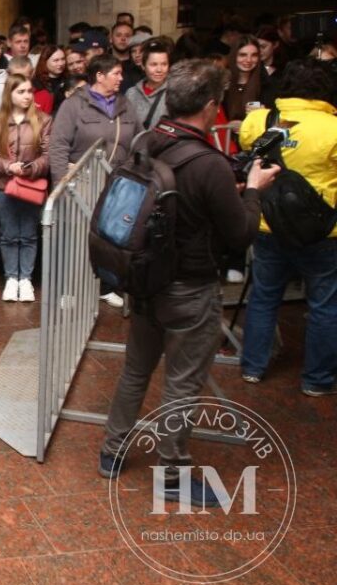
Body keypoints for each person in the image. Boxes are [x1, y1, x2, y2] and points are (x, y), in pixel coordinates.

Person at [98, 60, 279, 507]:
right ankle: (173, 475)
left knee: (136, 369)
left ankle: (112, 452)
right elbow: (239, 233)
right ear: (212, 107)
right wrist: (254, 188)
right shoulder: (209, 163)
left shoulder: (147, 141)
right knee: (182, 382)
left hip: (144, 279)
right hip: (190, 289)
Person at [238, 60, 337, 393]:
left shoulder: (261, 121)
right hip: (323, 233)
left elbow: (246, 149)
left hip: (268, 226)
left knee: (264, 297)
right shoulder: (333, 129)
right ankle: (317, 381)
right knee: (324, 305)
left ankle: (252, 367)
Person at [50, 54, 139, 308]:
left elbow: (137, 140)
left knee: (109, 239)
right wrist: (62, 183)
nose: (121, 78)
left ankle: (105, 287)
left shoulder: (125, 105)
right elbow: (58, 146)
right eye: (116, 73)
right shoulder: (75, 105)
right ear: (99, 76)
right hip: (82, 182)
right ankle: (69, 289)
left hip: (116, 185)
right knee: (77, 238)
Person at [0, 75, 50, 302]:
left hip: (31, 184)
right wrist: (9, 167)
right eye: (21, 92)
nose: (27, 96)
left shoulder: (43, 120)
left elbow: (49, 155)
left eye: (29, 91)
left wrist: (30, 168)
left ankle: (26, 279)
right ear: (9, 95)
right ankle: (11, 278)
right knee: (9, 233)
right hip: (4, 185)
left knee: (29, 234)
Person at [125, 39, 172, 130]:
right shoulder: (132, 94)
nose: (159, 70)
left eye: (164, 64)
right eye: (153, 64)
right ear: (143, 66)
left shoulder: (174, 93)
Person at [223, 35, 265, 122]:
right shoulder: (222, 83)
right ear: (234, 56)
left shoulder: (265, 85)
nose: (249, 60)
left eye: (254, 55)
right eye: (243, 55)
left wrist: (265, 113)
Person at [32, 45, 68, 114]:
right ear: (45, 61)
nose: (60, 63)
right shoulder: (37, 83)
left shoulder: (68, 79)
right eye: (56, 60)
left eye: (63, 59)